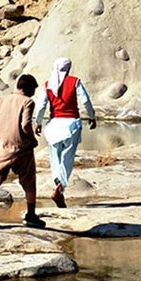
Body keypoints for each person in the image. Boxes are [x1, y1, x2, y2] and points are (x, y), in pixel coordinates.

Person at [0, 74, 45, 228]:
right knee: (29, 181)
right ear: (29, 88)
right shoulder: (28, 102)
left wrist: (1, 133)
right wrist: (32, 140)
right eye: (33, 89)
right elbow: (25, 124)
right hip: (21, 148)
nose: (33, 93)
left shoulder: (2, 100)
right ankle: (31, 215)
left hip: (3, 145)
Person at [34, 57, 96, 208]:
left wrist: (38, 122)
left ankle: (58, 185)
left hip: (54, 126)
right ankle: (60, 187)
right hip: (71, 125)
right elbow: (85, 100)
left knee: (55, 159)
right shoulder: (74, 82)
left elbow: (41, 106)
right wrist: (92, 116)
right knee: (67, 159)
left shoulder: (48, 84)